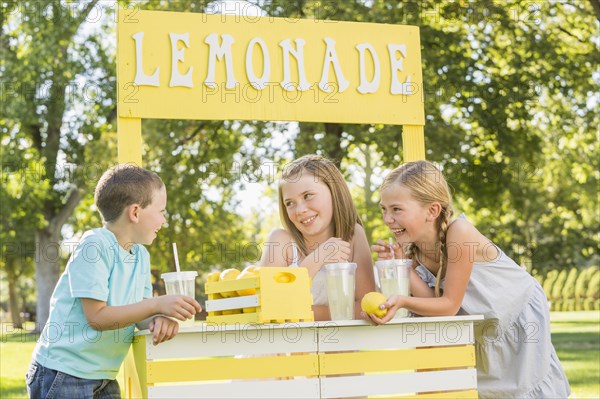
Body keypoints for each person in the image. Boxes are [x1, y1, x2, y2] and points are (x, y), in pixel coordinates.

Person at [368, 160, 570, 398]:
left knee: (522, 387)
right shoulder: (413, 252)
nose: (388, 219)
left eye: (396, 209)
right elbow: (438, 309)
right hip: (483, 329)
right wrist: (403, 268)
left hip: (514, 316)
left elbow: (450, 304)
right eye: (384, 209)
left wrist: (402, 300)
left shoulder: (459, 233)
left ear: (432, 210)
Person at [26, 165, 202, 399]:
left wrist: (158, 318)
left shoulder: (141, 256)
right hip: (63, 372)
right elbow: (97, 318)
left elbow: (137, 311)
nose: (164, 220)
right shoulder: (94, 246)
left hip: (103, 374)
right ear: (135, 212)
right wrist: (157, 305)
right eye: (161, 211)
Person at [259, 154, 375, 321]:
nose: (300, 210)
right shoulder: (280, 241)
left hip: (341, 347)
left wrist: (299, 311)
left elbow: (366, 307)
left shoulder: (353, 234)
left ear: (333, 192)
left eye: (307, 196)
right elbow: (272, 308)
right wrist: (318, 257)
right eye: (290, 203)